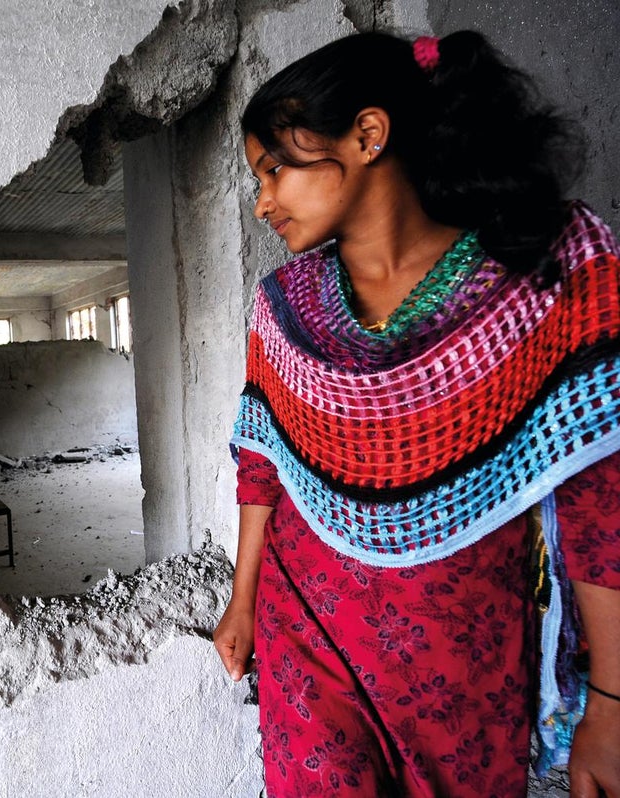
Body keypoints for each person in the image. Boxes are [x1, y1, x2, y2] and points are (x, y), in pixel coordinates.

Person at [210, 30, 620, 797]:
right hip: (308, 630)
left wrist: (612, 702)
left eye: (277, 169)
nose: (263, 200)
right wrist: (242, 602)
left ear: (368, 135)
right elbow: (259, 459)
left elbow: (600, 501)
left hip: (462, 653)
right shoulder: (284, 310)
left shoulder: (542, 280)